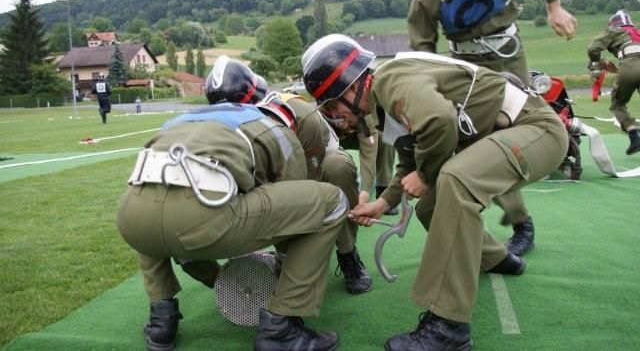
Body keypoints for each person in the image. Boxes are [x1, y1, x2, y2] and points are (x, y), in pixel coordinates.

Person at [302, 34, 568, 349]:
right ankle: (495, 258)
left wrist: (426, 176)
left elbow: (440, 122)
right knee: (430, 206)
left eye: (333, 104)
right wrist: (383, 202)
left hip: (537, 130)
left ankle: (449, 328)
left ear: (352, 86)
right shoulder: (385, 101)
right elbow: (411, 160)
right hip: (511, 132)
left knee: (454, 179)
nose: (335, 115)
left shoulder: (389, 80)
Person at [117, 101, 348, 351]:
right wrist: (282, 270)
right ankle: (281, 329)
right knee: (332, 202)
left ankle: (161, 321)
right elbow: (294, 218)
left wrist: (216, 278)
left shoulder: (181, 122)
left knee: (154, 209)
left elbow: (168, 208)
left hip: (130, 216)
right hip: (202, 221)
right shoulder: (277, 128)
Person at [407, 0, 577, 255]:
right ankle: (518, 221)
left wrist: (553, 6)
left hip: (510, 58)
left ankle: (536, 191)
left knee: (517, 129)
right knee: (483, 144)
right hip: (467, 71)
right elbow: (422, 55)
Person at [203, 55, 372, 294]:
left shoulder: (302, 115)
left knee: (337, 168)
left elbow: (298, 188)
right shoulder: (222, 130)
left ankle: (348, 254)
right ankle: (286, 260)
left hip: (316, 165)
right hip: (278, 172)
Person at [587, 10, 640, 155]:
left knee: (618, 104)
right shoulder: (637, 32)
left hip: (629, 64)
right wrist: (617, 70)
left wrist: (596, 61)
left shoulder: (613, 31)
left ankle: (634, 135)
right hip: (631, 64)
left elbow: (593, 48)